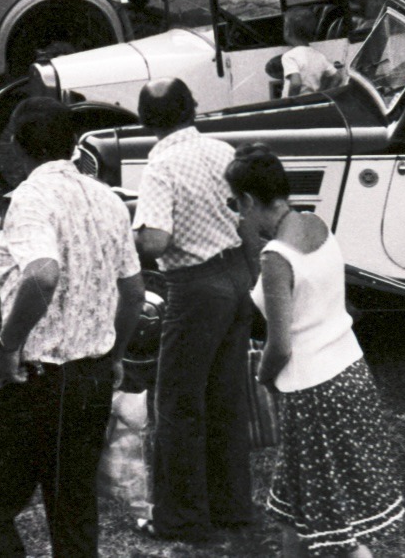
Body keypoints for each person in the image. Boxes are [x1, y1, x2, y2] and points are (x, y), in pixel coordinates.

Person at [0, 98, 145, 558]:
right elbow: (134, 290)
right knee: (74, 511)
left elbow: (42, 273)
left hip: (40, 382)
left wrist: (7, 344)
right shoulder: (108, 199)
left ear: (18, 147)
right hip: (93, 378)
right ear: (73, 144)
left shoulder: (29, 201)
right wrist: (116, 356)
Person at [229, 144, 404, 558]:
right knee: (300, 506)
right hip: (350, 372)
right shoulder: (316, 224)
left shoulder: (277, 258)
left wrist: (262, 378)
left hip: (313, 393)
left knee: (333, 524)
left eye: (238, 204)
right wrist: (253, 242)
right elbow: (286, 291)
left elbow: (280, 344)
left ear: (250, 200)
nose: (238, 214)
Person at [131, 78, 256, 543]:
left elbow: (157, 240)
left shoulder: (160, 166)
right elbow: (244, 216)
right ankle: (232, 507)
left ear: (146, 122)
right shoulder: (223, 151)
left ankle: (182, 518)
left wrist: (129, 235)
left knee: (179, 403)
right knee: (226, 397)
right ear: (194, 108)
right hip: (237, 273)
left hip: (195, 287)